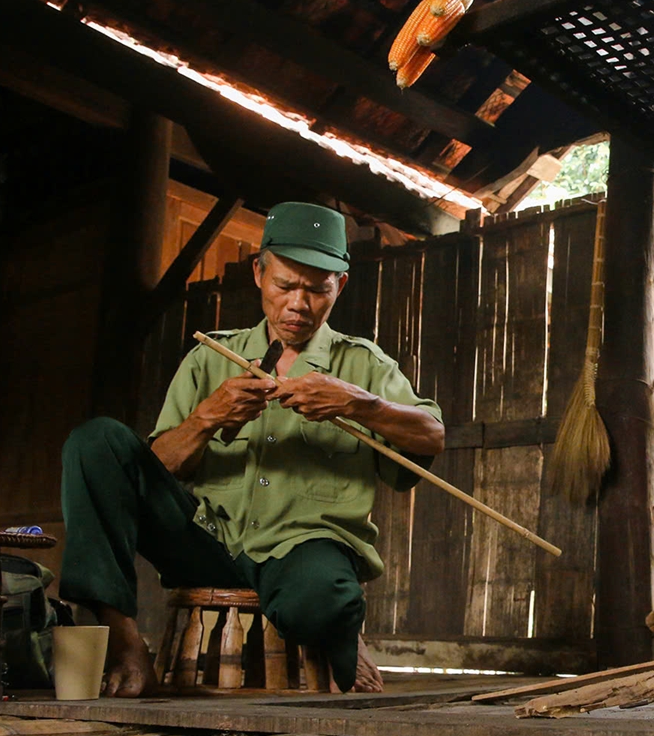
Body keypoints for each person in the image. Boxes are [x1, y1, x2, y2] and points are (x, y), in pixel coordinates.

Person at [58, 201, 444, 697]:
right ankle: (125, 641)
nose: (298, 305)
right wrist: (206, 418)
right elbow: (152, 472)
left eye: (316, 289)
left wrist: (359, 403)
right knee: (95, 441)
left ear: (339, 287)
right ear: (259, 273)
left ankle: (339, 625)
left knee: (322, 603)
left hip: (301, 547)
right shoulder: (210, 357)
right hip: (204, 539)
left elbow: (431, 436)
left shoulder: (363, 365)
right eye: (285, 285)